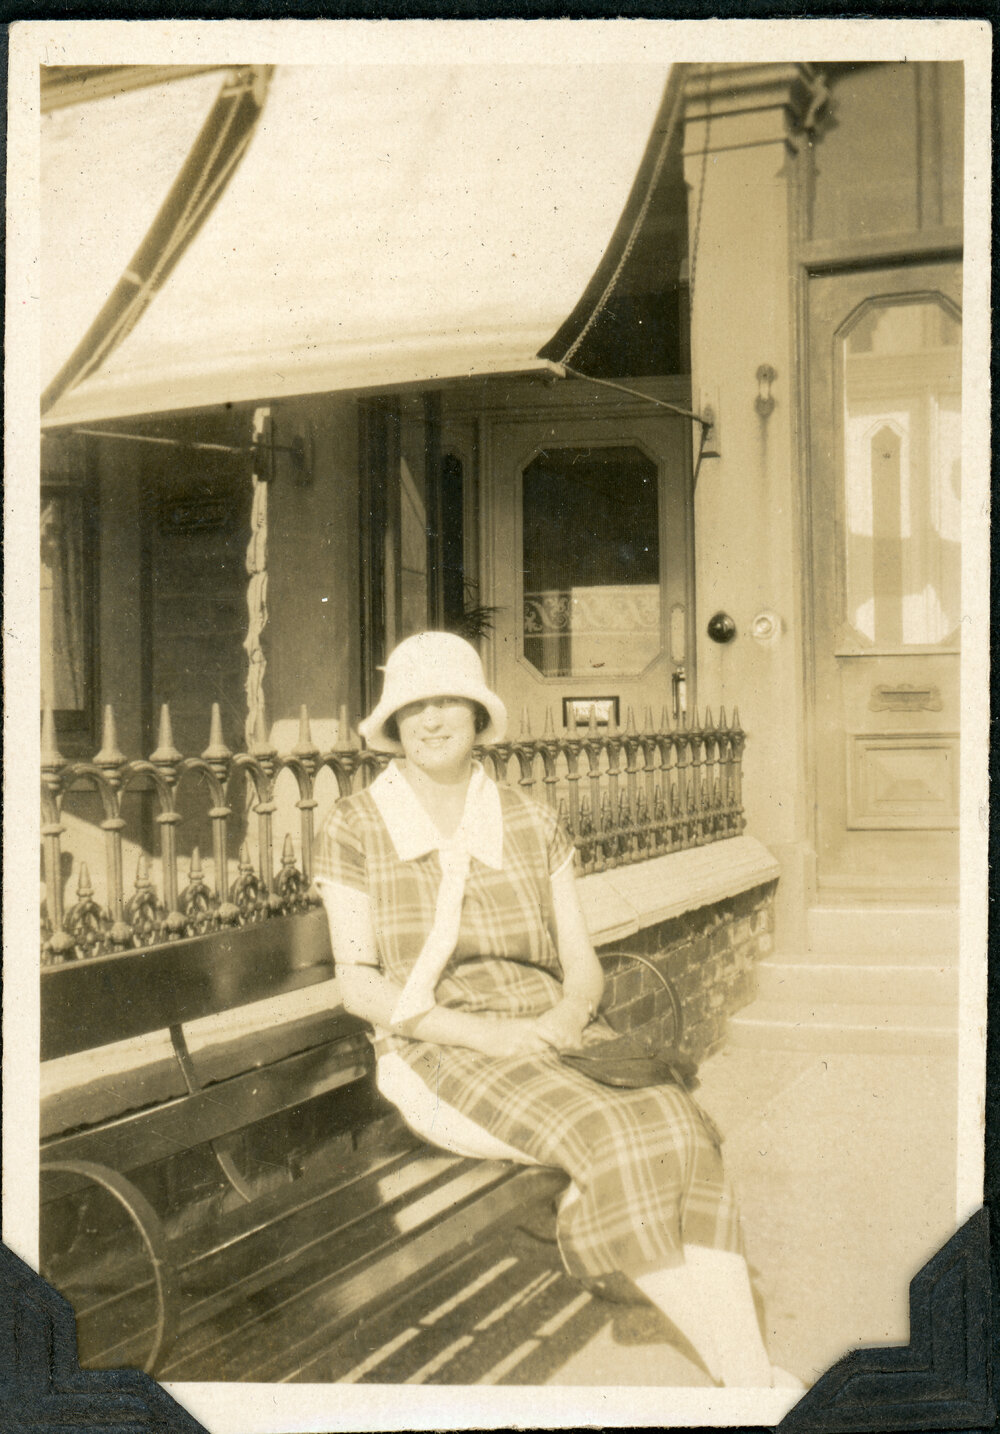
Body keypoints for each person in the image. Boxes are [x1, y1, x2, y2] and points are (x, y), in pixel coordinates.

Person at [314, 631, 798, 1388]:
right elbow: (360, 985)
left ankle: (737, 1366)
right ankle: (749, 1380)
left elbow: (581, 965)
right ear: (394, 723)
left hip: (548, 1032)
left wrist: (569, 1017)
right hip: (436, 1047)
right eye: (413, 706)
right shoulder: (356, 824)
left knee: (674, 1120)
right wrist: (490, 1036)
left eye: (448, 702)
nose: (431, 720)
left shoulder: (531, 820)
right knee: (609, 1134)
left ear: (479, 715)